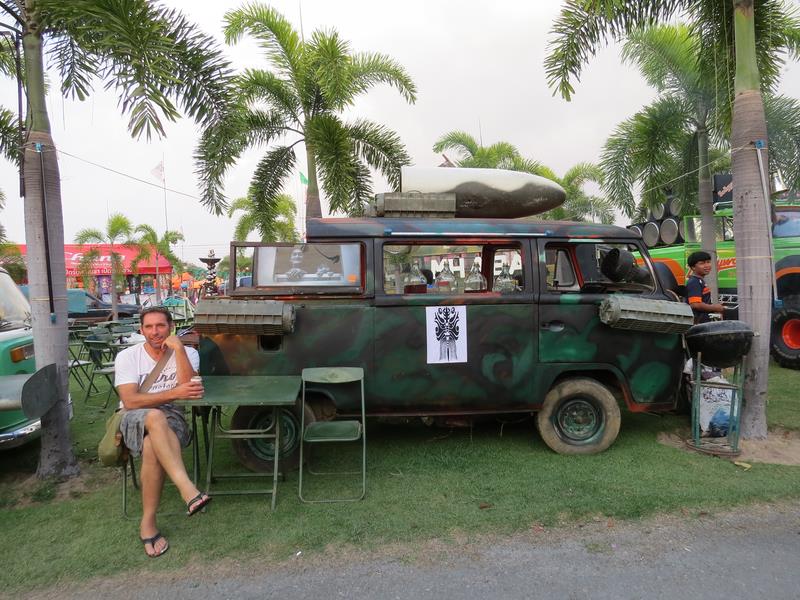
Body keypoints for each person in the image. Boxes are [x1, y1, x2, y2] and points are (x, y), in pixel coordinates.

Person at [115, 306, 209, 557]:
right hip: (133, 418)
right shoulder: (128, 356)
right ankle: (187, 489)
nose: (155, 331)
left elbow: (191, 389)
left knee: (151, 448)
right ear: (141, 330)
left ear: (171, 327)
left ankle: (148, 523)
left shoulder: (188, 352)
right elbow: (130, 401)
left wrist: (178, 350)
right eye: (149, 326)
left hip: (172, 417)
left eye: (160, 325)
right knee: (154, 415)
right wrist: (174, 393)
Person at [685, 251, 725, 324]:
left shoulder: (699, 280)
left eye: (708, 262)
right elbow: (695, 304)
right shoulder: (694, 282)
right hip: (698, 323)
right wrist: (715, 308)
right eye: (702, 263)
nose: (707, 265)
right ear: (693, 267)